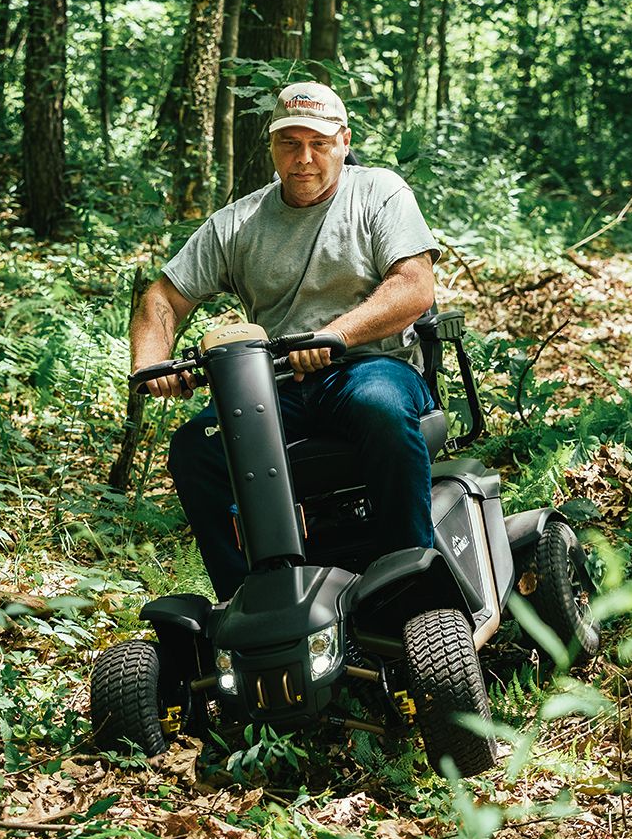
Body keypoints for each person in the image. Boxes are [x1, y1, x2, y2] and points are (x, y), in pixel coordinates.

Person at [129, 81, 442, 600]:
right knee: (194, 449)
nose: (304, 159)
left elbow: (414, 286)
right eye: (289, 144)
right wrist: (152, 365)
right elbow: (162, 299)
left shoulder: (379, 192)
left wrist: (336, 335)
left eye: (318, 144)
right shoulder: (238, 223)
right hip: (275, 388)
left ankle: (409, 587)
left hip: (372, 367)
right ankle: (250, 600)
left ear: (343, 141)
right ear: (270, 146)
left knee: (379, 407)